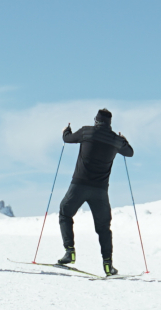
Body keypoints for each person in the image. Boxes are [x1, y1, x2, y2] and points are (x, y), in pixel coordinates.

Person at [57, 108, 134, 276]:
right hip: (100, 191)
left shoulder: (86, 132)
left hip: (79, 185)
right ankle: (108, 265)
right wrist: (124, 140)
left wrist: (66, 130)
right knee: (103, 228)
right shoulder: (115, 140)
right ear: (109, 123)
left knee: (65, 212)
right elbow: (130, 153)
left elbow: (67, 139)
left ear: (96, 120)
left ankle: (69, 251)